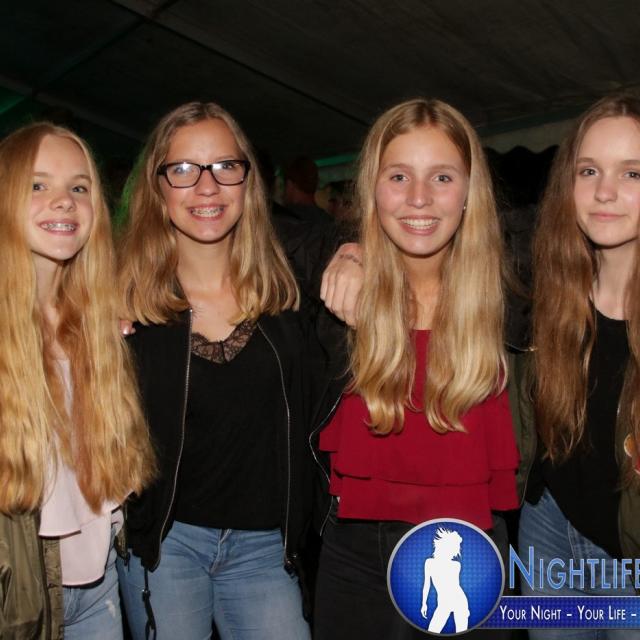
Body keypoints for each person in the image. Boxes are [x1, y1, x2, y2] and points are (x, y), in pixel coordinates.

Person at [312, 98, 520, 640]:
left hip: (472, 553)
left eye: (442, 177)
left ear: (471, 191)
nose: (419, 198)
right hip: (355, 556)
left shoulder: (512, 293)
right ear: (372, 189)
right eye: (399, 176)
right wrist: (348, 249)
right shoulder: (336, 297)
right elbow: (256, 241)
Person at [116, 102, 325, 640]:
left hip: (265, 548)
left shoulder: (289, 290)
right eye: (184, 169)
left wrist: (352, 254)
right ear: (157, 186)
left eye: (225, 166)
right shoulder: (121, 298)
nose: (207, 186)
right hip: (167, 545)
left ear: (248, 181)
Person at [0, 123, 154, 639]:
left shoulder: (98, 324)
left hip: (99, 581)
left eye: (79, 187)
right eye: (37, 185)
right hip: (18, 593)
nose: (63, 201)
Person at [519, 93, 640, 639]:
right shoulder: (546, 287)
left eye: (632, 173)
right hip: (548, 530)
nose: (604, 192)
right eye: (589, 170)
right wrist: (353, 253)